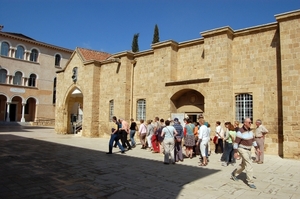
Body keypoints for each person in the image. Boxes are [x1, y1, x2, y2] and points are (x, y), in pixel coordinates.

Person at [231, 118, 261, 189]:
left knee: (243, 165)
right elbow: (236, 143)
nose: (250, 123)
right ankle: (250, 181)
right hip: (242, 149)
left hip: (249, 149)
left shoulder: (250, 131)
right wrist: (235, 152)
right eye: (249, 122)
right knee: (249, 164)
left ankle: (234, 174)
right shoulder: (240, 132)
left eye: (251, 122)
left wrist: (257, 148)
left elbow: (253, 140)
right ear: (245, 123)